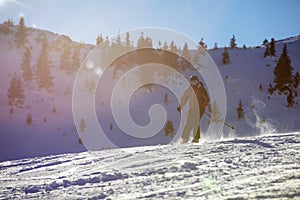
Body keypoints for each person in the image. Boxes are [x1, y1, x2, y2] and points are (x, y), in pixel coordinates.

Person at [177, 75, 209, 143]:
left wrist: (203, 106)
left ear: (197, 81)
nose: (194, 83)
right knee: (189, 123)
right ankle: (185, 138)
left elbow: (207, 99)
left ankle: (196, 138)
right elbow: (184, 98)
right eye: (192, 82)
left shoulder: (201, 89)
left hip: (200, 108)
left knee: (195, 121)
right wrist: (180, 106)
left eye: (195, 82)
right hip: (192, 108)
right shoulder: (189, 90)